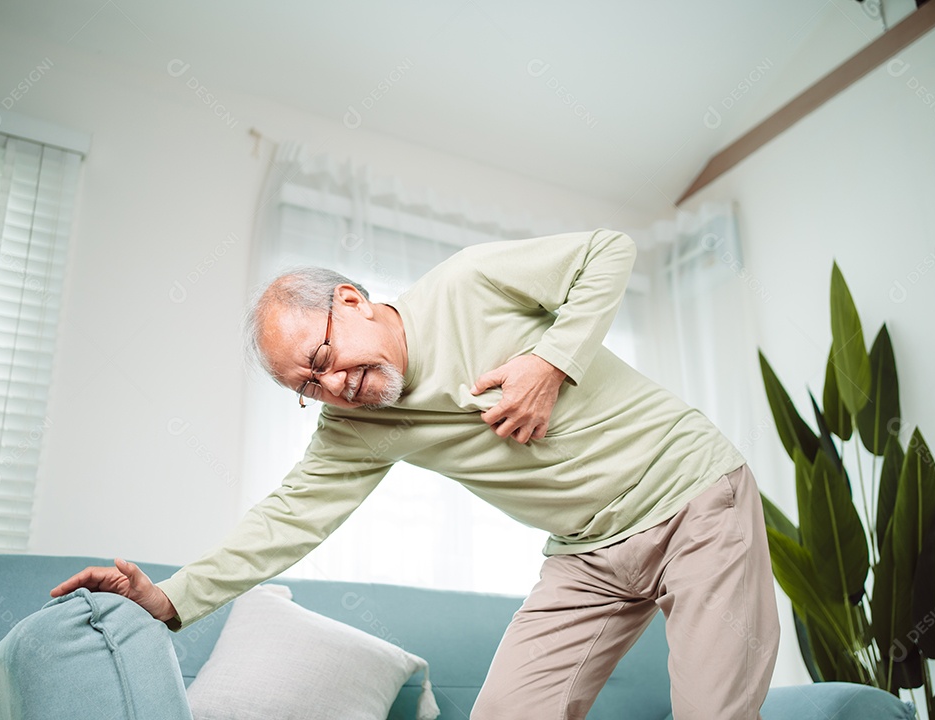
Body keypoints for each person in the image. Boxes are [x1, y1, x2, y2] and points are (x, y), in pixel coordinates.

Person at [51, 228, 780, 719]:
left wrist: (550, 363)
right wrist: (169, 598)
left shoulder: (468, 284)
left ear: (351, 302)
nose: (329, 389)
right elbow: (286, 520)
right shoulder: (354, 427)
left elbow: (608, 250)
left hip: (691, 497)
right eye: (305, 388)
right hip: (588, 557)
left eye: (321, 361)